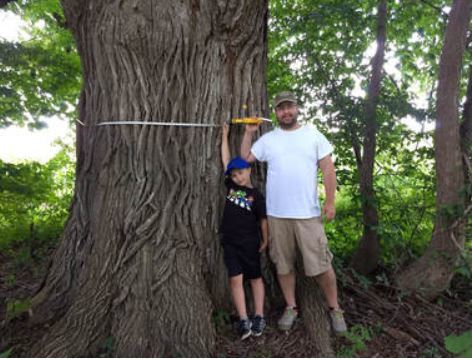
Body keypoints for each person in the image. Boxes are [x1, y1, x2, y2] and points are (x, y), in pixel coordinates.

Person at [240, 91, 347, 334]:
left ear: (297, 108)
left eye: (289, 107)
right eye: (280, 108)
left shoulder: (313, 135)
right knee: (283, 265)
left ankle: (335, 309)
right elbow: (245, 159)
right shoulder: (269, 139)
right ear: (276, 113)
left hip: (307, 214)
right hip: (277, 215)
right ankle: (291, 306)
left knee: (321, 265)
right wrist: (248, 134)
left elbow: (328, 169)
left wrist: (330, 202)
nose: (285, 112)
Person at [220, 123, 269, 340]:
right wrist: (224, 135)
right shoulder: (231, 188)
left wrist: (265, 239)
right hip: (230, 242)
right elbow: (226, 159)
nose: (238, 177)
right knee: (235, 279)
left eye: (241, 173)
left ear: (249, 170)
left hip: (250, 242)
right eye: (234, 175)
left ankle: (259, 315)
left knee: (255, 278)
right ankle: (243, 319)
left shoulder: (256, 195)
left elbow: (263, 220)